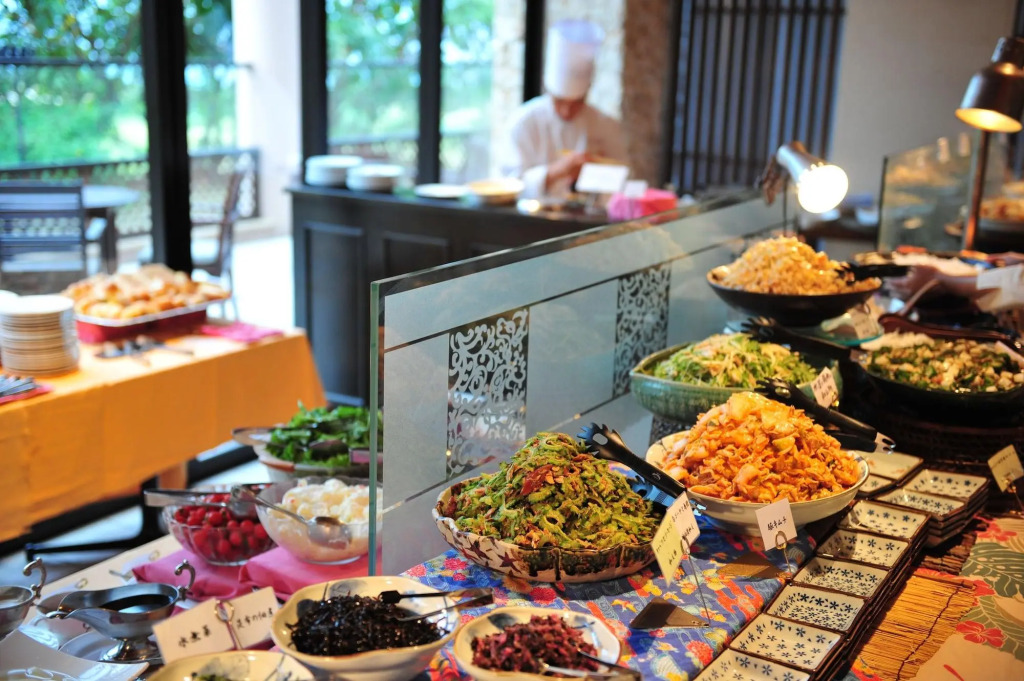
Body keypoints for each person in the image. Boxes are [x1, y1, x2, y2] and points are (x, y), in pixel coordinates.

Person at [499, 19, 627, 199]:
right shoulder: (523, 121)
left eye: (576, 103)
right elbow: (509, 185)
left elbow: (622, 182)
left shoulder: (606, 125)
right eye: (559, 101)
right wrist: (558, 170)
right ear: (548, 91)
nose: (567, 111)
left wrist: (595, 174)